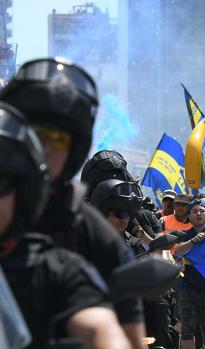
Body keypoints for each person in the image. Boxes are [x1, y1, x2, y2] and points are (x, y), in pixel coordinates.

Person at [0, 57, 147, 348]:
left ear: (74, 150)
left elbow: (114, 332)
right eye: (30, 130)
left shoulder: (87, 238)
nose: (37, 146)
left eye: (55, 137)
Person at [173, 199, 205, 349]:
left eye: (202, 211)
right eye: (194, 211)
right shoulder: (185, 235)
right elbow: (177, 253)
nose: (198, 214)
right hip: (188, 289)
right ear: (190, 217)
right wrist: (193, 241)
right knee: (187, 330)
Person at [90, 179, 153, 256]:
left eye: (128, 214)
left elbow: (144, 260)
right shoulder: (82, 241)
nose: (124, 220)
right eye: (120, 214)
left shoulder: (132, 243)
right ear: (101, 213)